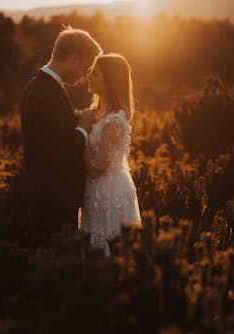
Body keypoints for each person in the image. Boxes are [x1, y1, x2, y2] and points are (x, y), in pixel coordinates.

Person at [19, 27, 102, 247]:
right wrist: (83, 129)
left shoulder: (35, 86)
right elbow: (58, 150)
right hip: (54, 199)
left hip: (44, 195)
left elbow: (49, 135)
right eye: (85, 67)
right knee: (58, 264)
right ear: (73, 58)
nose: (84, 75)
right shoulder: (48, 94)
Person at [79, 53, 142, 257]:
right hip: (94, 192)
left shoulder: (115, 121)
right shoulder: (93, 113)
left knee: (110, 249)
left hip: (110, 193)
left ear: (110, 81)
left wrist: (81, 136)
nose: (89, 76)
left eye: (95, 73)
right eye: (90, 71)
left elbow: (97, 169)